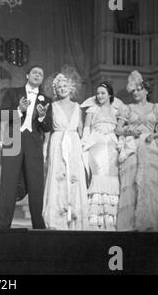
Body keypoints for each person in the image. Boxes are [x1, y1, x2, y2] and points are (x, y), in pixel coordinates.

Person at [116, 71, 158, 231]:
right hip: (133, 148)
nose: (136, 93)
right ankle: (133, 224)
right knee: (133, 184)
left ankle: (152, 223)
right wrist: (132, 132)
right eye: (133, 90)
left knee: (152, 183)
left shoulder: (157, 108)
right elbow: (118, 129)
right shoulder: (127, 108)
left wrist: (153, 135)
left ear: (146, 90)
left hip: (151, 148)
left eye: (139, 89)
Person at [0, 65, 53, 229]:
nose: (37, 75)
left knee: (36, 183)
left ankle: (38, 224)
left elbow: (47, 127)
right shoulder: (13, 93)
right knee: (8, 181)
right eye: (35, 72)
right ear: (27, 75)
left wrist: (42, 116)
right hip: (12, 137)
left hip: (33, 141)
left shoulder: (46, 100)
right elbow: (2, 115)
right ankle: (3, 224)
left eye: (41, 74)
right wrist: (19, 110)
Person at [43, 72, 89, 230]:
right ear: (55, 90)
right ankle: (58, 220)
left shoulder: (78, 107)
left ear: (71, 88)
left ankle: (74, 217)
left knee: (74, 177)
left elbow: (82, 131)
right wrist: (45, 150)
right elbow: (47, 131)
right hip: (58, 144)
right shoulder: (53, 106)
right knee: (58, 178)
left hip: (74, 145)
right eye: (59, 87)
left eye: (65, 86)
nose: (62, 89)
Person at [81, 82, 123, 231]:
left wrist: (121, 143)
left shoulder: (117, 109)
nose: (100, 96)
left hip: (112, 145)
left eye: (103, 93)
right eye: (98, 93)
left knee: (112, 176)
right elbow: (87, 128)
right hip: (97, 145)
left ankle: (112, 220)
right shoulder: (92, 109)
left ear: (110, 94)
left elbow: (120, 129)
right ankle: (97, 220)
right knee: (98, 175)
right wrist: (84, 143)